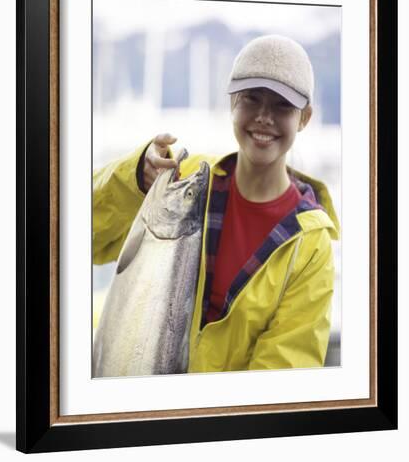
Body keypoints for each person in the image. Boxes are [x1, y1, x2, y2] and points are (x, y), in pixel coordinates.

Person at [93, 34, 339, 372]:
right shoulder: (182, 180)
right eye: (252, 98)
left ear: (305, 118)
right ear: (232, 103)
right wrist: (134, 179)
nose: (264, 116)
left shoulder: (311, 246)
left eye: (282, 104)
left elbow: (283, 375)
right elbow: (82, 240)